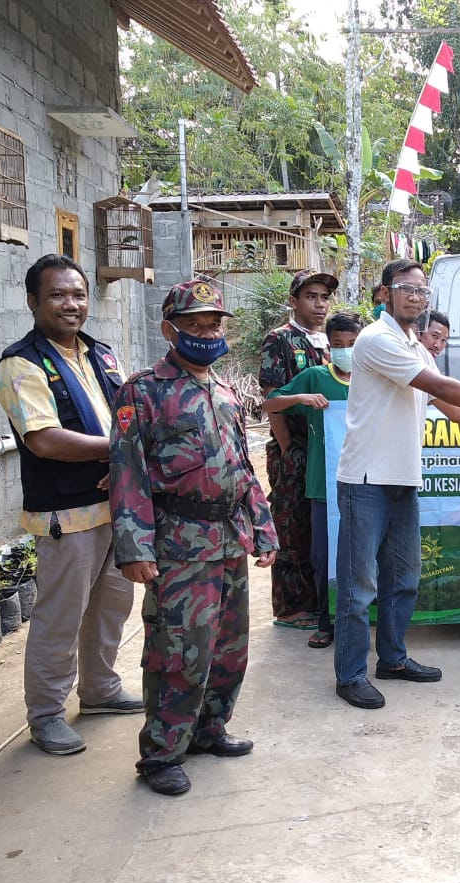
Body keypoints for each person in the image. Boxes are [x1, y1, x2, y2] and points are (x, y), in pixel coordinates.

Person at [332, 259, 460, 709]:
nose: (415, 297)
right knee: (359, 586)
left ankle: (393, 660)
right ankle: (349, 676)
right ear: (384, 293)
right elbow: (442, 387)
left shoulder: (417, 347)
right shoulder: (376, 339)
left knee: (404, 578)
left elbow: (452, 408)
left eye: (422, 291)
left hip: (403, 478)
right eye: (405, 288)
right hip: (365, 479)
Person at [110, 279, 278, 796]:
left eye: (213, 324)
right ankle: (161, 754)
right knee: (179, 650)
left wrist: (263, 526)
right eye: (194, 325)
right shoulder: (143, 391)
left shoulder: (225, 391)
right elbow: (127, 473)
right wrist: (134, 548)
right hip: (179, 544)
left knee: (228, 646)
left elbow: (242, 467)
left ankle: (210, 728)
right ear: (169, 330)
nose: (206, 333)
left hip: (228, 538)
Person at [0, 254, 140, 757]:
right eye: (57, 295)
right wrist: (119, 451)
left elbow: (126, 415)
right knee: (60, 618)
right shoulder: (21, 364)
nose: (70, 304)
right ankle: (46, 715)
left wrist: (123, 459)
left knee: (111, 608)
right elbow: (45, 440)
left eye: (78, 294)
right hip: (66, 516)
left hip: (114, 506)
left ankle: (99, 691)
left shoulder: (101, 354)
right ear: (33, 301)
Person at [261, 311, 362, 650]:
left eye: (352, 344)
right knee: (324, 557)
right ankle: (325, 619)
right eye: (339, 345)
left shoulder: (372, 378)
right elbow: (270, 403)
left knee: (364, 555)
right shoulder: (315, 377)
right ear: (329, 347)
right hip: (323, 486)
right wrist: (299, 398)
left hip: (366, 482)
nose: (346, 350)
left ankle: (361, 618)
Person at [258, 268, 337, 631]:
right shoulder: (280, 340)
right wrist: (288, 448)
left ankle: (321, 600)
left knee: (318, 525)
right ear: (294, 301)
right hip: (296, 447)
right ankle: (291, 607)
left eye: (324, 297)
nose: (319, 304)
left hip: (327, 448)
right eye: (311, 297)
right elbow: (272, 398)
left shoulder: (331, 341)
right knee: (291, 525)